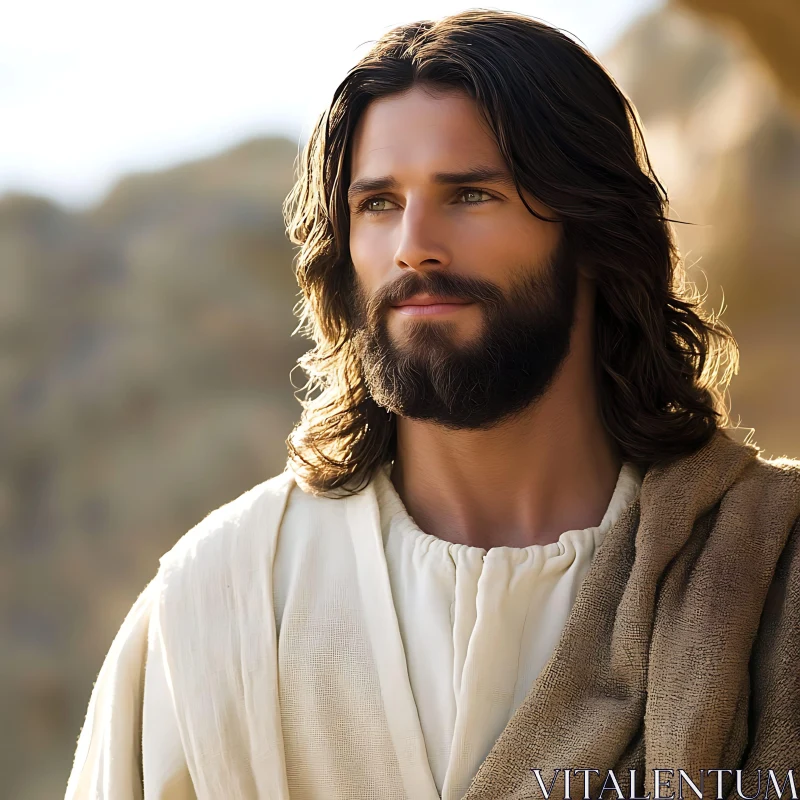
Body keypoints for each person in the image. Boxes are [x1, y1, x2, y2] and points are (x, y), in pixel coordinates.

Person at [65, 10, 800, 800]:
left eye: (472, 194)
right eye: (377, 204)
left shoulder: (770, 568)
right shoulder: (219, 603)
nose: (415, 245)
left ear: (593, 232)